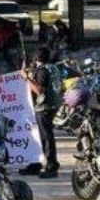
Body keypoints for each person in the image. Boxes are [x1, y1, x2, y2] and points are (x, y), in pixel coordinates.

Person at [27, 47, 60, 178]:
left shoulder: (42, 71)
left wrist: (27, 79)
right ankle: (37, 163)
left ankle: (51, 166)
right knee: (40, 137)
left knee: (46, 137)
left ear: (36, 58)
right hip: (52, 105)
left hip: (43, 107)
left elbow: (39, 90)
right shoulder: (52, 68)